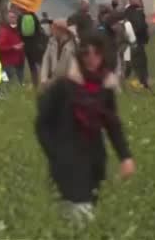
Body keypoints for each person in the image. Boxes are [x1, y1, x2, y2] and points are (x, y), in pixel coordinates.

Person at [35, 35, 135, 225]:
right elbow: (42, 123)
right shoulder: (63, 86)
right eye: (87, 53)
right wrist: (54, 152)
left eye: (96, 53)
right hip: (66, 160)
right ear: (80, 56)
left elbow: (112, 124)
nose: (92, 58)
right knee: (82, 214)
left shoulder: (105, 86)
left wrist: (125, 157)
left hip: (94, 160)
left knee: (75, 212)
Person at [123, 0, 150, 89]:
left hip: (130, 39)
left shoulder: (128, 7)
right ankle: (142, 83)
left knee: (130, 61)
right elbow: (140, 25)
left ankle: (126, 80)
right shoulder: (136, 8)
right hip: (137, 40)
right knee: (140, 62)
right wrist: (143, 32)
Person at [40, 20, 79, 88]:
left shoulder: (73, 45)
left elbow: (73, 67)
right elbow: (46, 59)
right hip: (52, 80)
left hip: (66, 83)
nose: (52, 31)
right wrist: (44, 78)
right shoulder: (52, 42)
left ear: (61, 30)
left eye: (54, 29)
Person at [0, 11, 26, 85]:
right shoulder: (4, 31)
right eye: (10, 17)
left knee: (20, 82)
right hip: (7, 63)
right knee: (6, 82)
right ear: (7, 19)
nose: (12, 19)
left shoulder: (20, 30)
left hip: (19, 60)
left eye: (14, 17)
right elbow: (0, 46)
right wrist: (12, 47)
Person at [19, 10, 47, 86]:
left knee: (22, 65)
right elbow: (38, 30)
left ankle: (21, 82)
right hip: (33, 44)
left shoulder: (20, 17)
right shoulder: (34, 17)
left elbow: (18, 31)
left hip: (23, 44)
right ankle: (36, 83)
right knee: (34, 65)